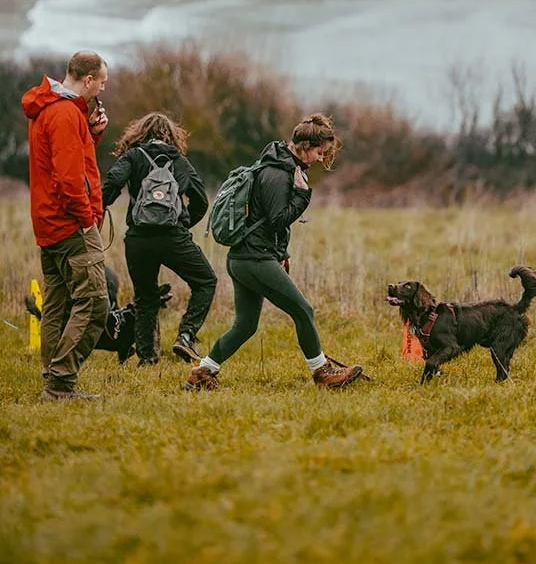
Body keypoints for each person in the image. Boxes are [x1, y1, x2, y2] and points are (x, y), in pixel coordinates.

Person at [185, 113, 364, 392]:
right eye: (319, 152)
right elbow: (277, 219)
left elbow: (268, 222)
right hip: (254, 259)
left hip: (246, 257)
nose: (319, 158)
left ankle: (203, 372)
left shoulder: (278, 165)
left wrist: (283, 252)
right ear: (305, 146)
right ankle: (322, 374)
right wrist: (303, 195)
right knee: (304, 311)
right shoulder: (277, 173)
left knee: (245, 326)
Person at [22, 51, 110, 402]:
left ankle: (52, 378)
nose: (102, 88)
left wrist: (93, 133)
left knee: (58, 301)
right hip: (70, 222)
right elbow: (69, 177)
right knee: (95, 303)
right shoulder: (63, 113)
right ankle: (60, 384)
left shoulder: (53, 107)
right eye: (101, 82)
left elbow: (72, 159)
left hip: (48, 221)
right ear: (87, 80)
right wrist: (87, 218)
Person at [102, 112, 217, 366]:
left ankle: (147, 359)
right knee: (206, 281)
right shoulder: (180, 162)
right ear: (172, 136)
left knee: (145, 297)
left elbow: (112, 181)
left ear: (139, 133)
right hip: (173, 237)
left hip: (139, 240)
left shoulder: (132, 156)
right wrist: (183, 224)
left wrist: (100, 207)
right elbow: (201, 201)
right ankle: (185, 336)